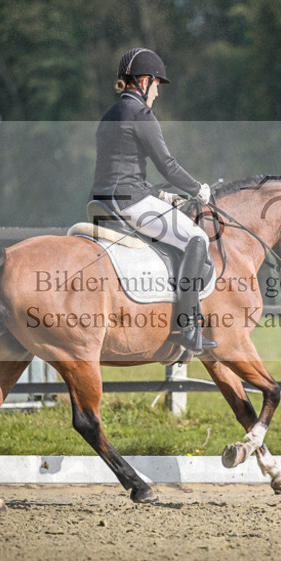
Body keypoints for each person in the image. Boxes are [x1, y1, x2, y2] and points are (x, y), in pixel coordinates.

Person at [89, 47, 218, 354]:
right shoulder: (142, 114)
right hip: (129, 202)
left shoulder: (110, 115)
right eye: (157, 84)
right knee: (197, 237)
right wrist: (198, 189)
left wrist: (159, 194)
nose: (158, 92)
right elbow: (168, 165)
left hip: (104, 199)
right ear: (144, 81)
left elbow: (121, 168)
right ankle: (187, 328)